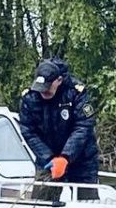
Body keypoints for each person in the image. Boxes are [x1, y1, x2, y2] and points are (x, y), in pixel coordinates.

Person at [18, 58, 101, 199]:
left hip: (81, 160)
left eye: (47, 88)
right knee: (39, 204)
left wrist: (65, 157)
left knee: (88, 205)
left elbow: (83, 126)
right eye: (40, 88)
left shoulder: (77, 93)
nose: (43, 92)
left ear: (59, 80)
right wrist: (49, 157)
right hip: (48, 160)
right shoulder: (30, 97)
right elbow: (28, 131)